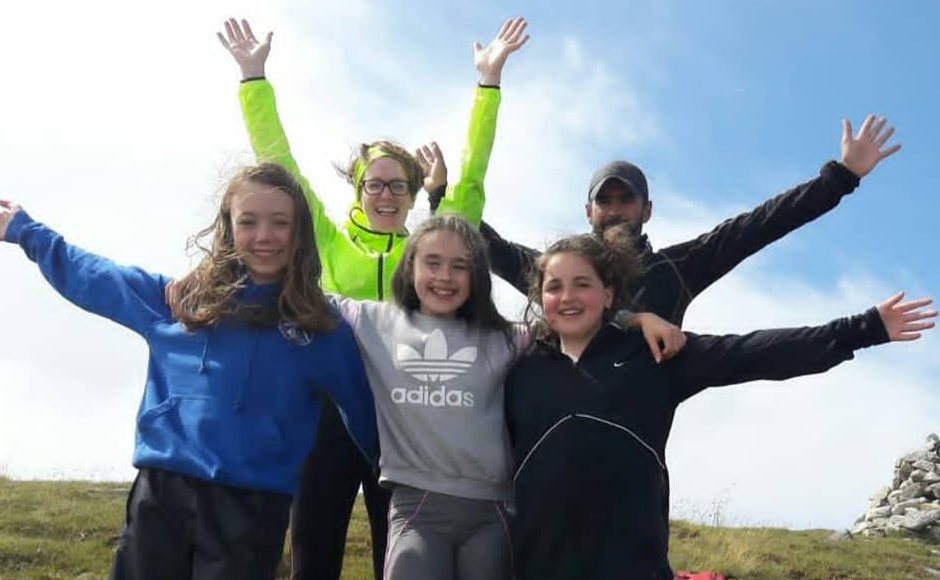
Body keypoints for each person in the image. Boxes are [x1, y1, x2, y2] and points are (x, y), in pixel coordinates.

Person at [212, 17, 529, 579]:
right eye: (373, 184)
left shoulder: (429, 256)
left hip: (404, 425)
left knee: (399, 555)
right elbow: (280, 164)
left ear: (412, 194)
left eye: (397, 184)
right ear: (358, 190)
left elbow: (472, 181)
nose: (385, 193)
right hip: (325, 416)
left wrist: (488, 85)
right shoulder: (328, 242)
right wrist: (253, 77)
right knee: (313, 553)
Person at [0, 163, 378, 580]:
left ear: (301, 232)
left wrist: (399, 475)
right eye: (248, 222)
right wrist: (28, 232)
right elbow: (96, 278)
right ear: (228, 228)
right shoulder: (180, 303)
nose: (264, 236)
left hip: (252, 509)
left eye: (280, 222)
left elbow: (363, 414)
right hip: (160, 496)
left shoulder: (320, 329)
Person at [503, 226, 937, 580]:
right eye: (554, 287)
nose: (568, 296)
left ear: (609, 294)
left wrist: (862, 329)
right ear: (540, 298)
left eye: (583, 284)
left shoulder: (653, 355)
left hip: (633, 567)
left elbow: (752, 352)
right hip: (535, 567)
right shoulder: (518, 368)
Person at [324, 214, 679, 580]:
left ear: (477, 277)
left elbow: (570, 317)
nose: (445, 276)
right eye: (432, 263)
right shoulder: (374, 322)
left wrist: (633, 319)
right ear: (409, 265)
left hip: (491, 514)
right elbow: (310, 299)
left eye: (460, 266)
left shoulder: (506, 339)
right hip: (416, 508)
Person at [459, 114, 902, 326]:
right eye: (605, 201)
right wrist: (443, 193)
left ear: (647, 210)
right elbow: (485, 244)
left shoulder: (678, 268)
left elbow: (760, 225)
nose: (614, 210)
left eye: (625, 200)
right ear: (588, 211)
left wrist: (839, 178)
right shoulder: (554, 278)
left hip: (638, 451)